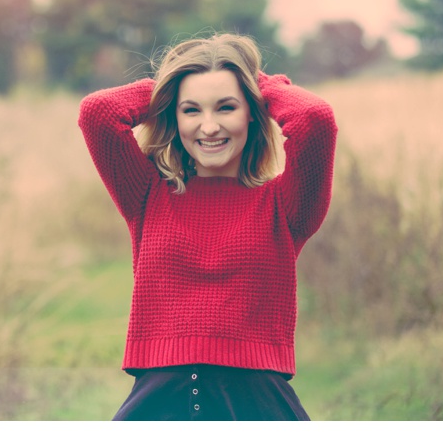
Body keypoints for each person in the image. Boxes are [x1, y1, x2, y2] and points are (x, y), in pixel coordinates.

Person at [77, 33, 337, 421]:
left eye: (226, 107)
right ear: (173, 115)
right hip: (158, 402)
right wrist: (170, 84)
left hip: (257, 404)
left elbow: (314, 121)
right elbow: (98, 113)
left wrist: (261, 84)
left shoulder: (285, 206)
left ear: (252, 111)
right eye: (191, 110)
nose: (209, 126)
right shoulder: (146, 195)